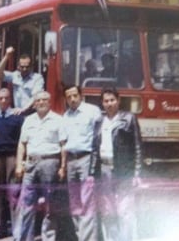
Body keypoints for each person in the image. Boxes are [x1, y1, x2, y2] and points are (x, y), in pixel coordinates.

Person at [15, 91, 67, 241]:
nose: (41, 103)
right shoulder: (28, 120)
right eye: (38, 101)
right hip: (31, 164)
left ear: (49, 102)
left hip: (50, 163)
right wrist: (19, 164)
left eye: (44, 100)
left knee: (50, 204)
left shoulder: (58, 120)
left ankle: (48, 237)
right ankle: (24, 238)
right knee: (26, 202)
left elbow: (63, 146)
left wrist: (62, 166)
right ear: (34, 103)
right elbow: (22, 144)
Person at [97, 87, 142, 241]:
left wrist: (137, 173)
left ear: (118, 100)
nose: (109, 104)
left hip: (123, 171)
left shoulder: (129, 119)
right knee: (108, 211)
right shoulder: (99, 121)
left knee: (125, 211)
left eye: (112, 100)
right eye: (106, 101)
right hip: (104, 170)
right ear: (102, 103)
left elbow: (137, 146)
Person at [62, 85, 102, 241]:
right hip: (71, 161)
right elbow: (64, 143)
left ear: (81, 96)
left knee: (88, 201)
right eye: (69, 97)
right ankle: (80, 236)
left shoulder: (92, 111)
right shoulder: (65, 116)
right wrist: (64, 166)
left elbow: (98, 139)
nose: (72, 99)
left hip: (86, 159)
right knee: (74, 202)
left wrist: (93, 164)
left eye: (74, 95)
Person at [0, 88, 24, 240]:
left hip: (12, 158)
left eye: (6, 98)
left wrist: (21, 161)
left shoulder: (18, 118)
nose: (3, 101)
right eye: (0, 98)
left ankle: (16, 232)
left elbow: (22, 141)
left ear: (10, 99)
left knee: (13, 194)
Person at [0, 46, 44, 115]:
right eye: (22, 67)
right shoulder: (15, 76)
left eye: (27, 67)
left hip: (31, 113)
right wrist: (6, 56)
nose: (24, 69)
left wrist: (23, 109)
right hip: (18, 113)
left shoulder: (38, 78)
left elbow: (35, 96)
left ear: (31, 66)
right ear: (18, 66)